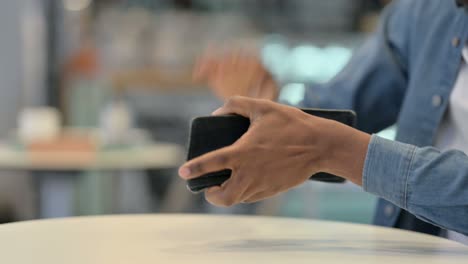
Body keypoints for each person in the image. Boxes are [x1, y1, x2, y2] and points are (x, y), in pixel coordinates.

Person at [178, 0, 468, 243]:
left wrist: (336, 151)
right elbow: (342, 107)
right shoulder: (428, 11)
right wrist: (270, 110)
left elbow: (326, 142)